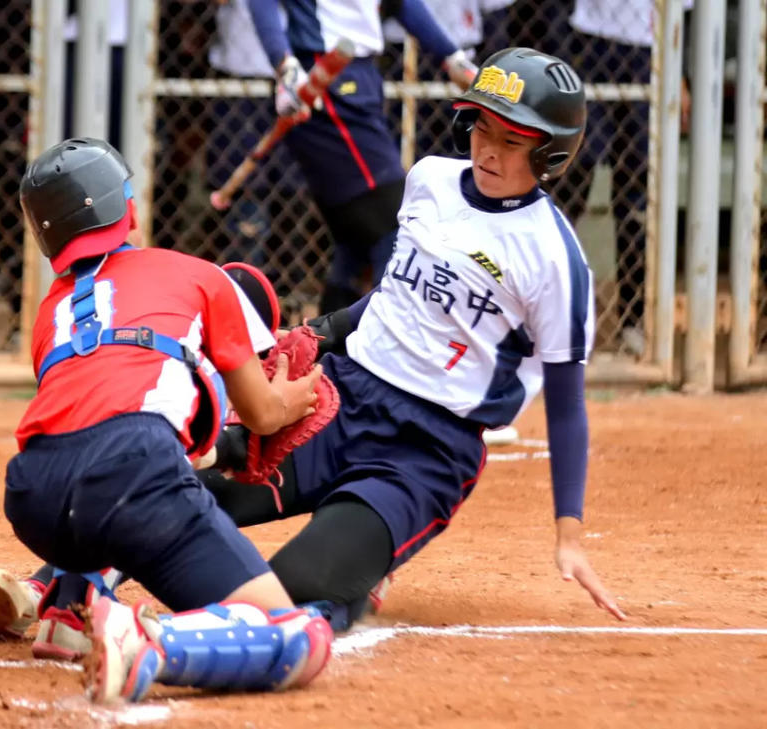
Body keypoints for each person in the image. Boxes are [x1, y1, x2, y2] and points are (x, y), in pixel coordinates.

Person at [201, 46, 627, 631]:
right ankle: (59, 587)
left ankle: (357, 569)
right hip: (341, 397)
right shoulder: (430, 180)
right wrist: (320, 333)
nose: (488, 148)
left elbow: (566, 402)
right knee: (190, 493)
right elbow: (396, 295)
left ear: (549, 152)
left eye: (512, 139)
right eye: (482, 125)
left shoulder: (554, 259)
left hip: (424, 448)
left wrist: (570, 535)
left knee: (296, 587)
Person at [0, 137, 332, 703]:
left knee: (113, 493)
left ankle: (69, 607)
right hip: (131, 471)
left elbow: (86, 414)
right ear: (129, 210)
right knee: (297, 634)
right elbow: (262, 415)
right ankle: (151, 645)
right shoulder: (196, 273)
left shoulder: (52, 310)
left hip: (32, 494)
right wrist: (296, 397)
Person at [245, 0, 478, 313]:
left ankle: (326, 348)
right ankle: (386, 340)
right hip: (325, 78)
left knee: (356, 239)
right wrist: (284, 64)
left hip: (363, 74)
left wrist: (452, 58)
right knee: (394, 224)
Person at [547, 0, 692, 355]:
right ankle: (551, 307)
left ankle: (631, 319)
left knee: (636, 191)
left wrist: (682, 75)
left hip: (649, 50)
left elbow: (681, 17)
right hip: (587, 42)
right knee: (573, 176)